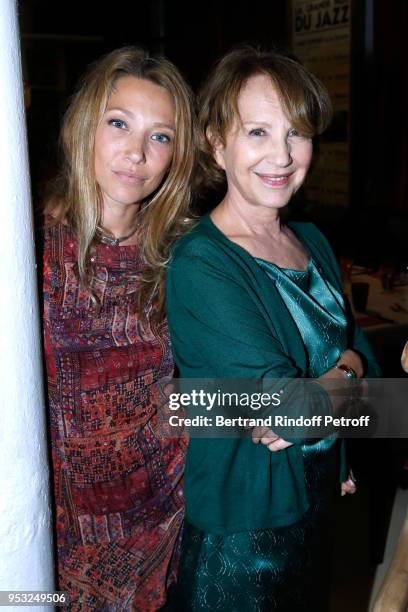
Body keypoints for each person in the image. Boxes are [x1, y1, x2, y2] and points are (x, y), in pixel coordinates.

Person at [166, 47, 380, 611]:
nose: (281, 155)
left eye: (296, 133)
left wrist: (345, 378)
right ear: (217, 142)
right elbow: (294, 411)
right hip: (245, 531)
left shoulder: (313, 241)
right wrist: (346, 377)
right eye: (257, 132)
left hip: (317, 504)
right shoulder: (202, 263)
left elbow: (365, 368)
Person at [42, 47, 196, 610]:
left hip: (161, 534)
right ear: (86, 126)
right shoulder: (27, 248)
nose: (136, 153)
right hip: (49, 544)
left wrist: (341, 405)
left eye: (161, 136)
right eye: (119, 124)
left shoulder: (188, 257)